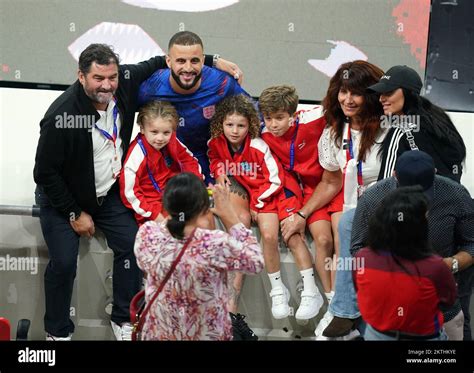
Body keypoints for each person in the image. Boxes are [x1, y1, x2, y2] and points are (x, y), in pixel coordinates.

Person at [33, 43, 243, 341]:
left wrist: (214, 60)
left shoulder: (124, 81)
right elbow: (45, 173)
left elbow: (163, 60)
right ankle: (58, 331)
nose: (107, 85)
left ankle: (123, 319)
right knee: (64, 262)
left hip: (106, 194)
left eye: (112, 78)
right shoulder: (62, 116)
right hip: (64, 199)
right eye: (98, 79)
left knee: (133, 244)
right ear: (81, 77)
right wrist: (74, 213)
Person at [333, 150, 473, 341]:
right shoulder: (372, 198)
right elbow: (357, 249)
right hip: (384, 324)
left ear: (434, 172)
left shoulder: (455, 195)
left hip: (439, 319)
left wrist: (451, 264)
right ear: (394, 175)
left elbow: (471, 243)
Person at [208, 94, 324, 321]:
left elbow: (275, 180)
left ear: (250, 125)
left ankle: (311, 290)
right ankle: (278, 291)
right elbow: (214, 159)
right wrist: (220, 173)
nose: (234, 130)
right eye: (229, 124)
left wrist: (257, 203)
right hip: (259, 196)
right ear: (220, 123)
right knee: (269, 236)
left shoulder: (259, 145)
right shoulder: (216, 142)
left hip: (276, 192)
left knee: (286, 235)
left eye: (240, 125)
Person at [134, 173, 264, 340]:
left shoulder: (148, 235)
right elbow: (256, 261)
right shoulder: (212, 245)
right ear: (203, 208)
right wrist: (228, 213)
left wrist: (179, 208)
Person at [315, 60, 388, 339]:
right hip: (351, 212)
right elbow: (330, 181)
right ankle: (349, 317)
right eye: (343, 92)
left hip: (381, 213)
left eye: (355, 93)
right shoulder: (334, 132)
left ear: (370, 95)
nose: (347, 99)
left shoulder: (387, 130)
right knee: (345, 230)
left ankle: (344, 312)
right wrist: (300, 214)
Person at [258, 85, 343, 303]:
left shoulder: (315, 118)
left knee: (341, 240)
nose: (273, 125)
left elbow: (338, 106)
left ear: (293, 115)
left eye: (279, 118)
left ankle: (340, 303)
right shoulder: (264, 135)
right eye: (268, 118)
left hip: (336, 185)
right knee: (323, 241)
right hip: (311, 194)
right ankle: (330, 299)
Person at [138, 31, 249, 184]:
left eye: (195, 61)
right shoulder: (149, 89)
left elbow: (255, 115)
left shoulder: (221, 83)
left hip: (212, 161)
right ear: (169, 62)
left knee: (228, 202)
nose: (188, 68)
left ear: (203, 61)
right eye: (181, 61)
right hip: (167, 164)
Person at [354, 186, 456, 340]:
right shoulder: (435, 267)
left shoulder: (362, 258)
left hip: (375, 335)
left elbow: (360, 291)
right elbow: (447, 302)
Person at [368, 65, 466, 182]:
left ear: (408, 93)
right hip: (451, 198)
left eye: (389, 92)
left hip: (413, 199)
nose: (381, 99)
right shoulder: (439, 122)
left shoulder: (401, 130)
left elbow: (384, 186)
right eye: (380, 93)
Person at [119, 100, 202, 226]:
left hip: (174, 194)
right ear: (142, 129)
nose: (160, 138)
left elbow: (189, 160)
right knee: (179, 228)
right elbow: (129, 194)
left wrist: (194, 184)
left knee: (205, 216)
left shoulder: (172, 140)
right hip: (152, 205)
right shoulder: (136, 155)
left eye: (166, 133)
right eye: (154, 132)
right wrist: (154, 215)